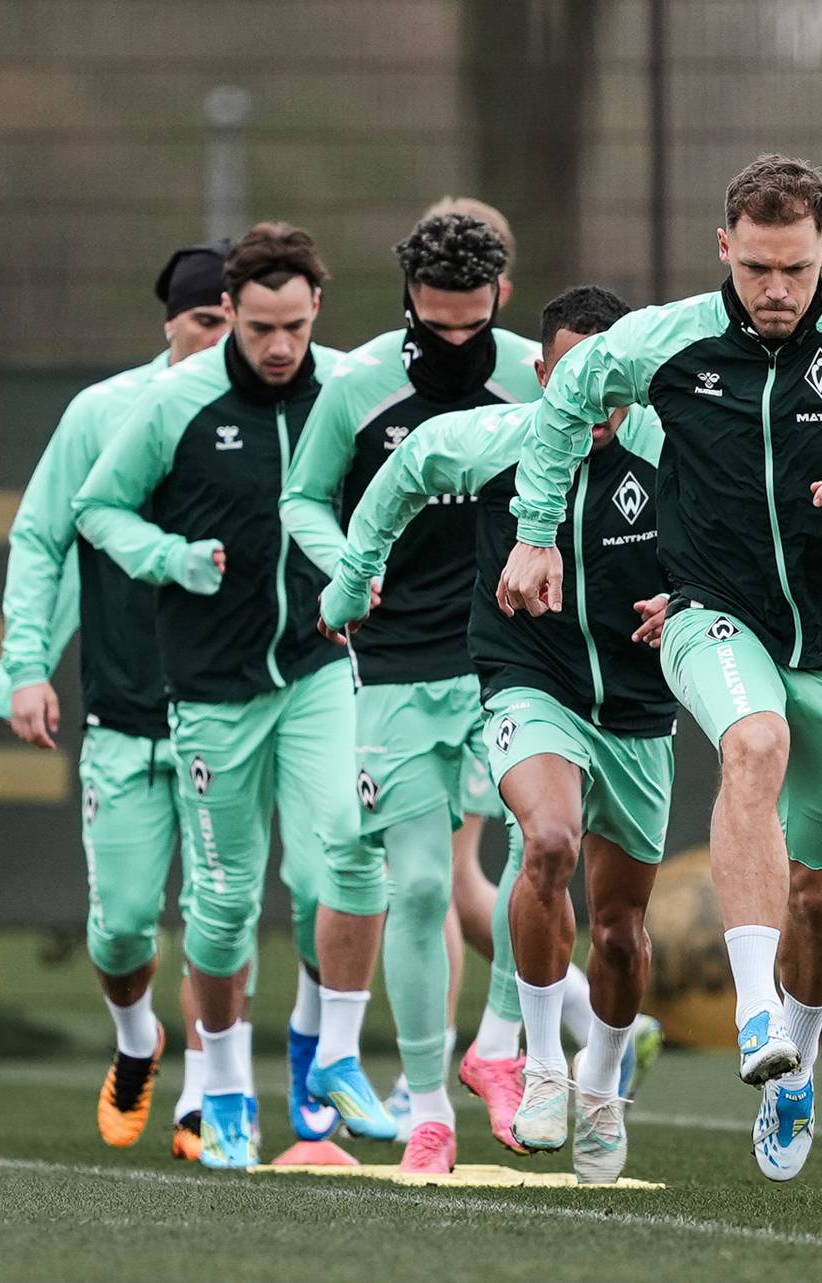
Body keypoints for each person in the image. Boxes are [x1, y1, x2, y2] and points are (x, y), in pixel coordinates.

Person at [499, 154, 822, 1181]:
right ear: (725, 248)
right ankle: (754, 1003)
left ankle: (795, 1058)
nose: (775, 290)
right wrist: (535, 530)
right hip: (711, 612)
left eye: (795, 270)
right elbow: (563, 400)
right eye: (758, 267)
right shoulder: (668, 339)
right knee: (750, 742)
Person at [323, 284, 676, 1183]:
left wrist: (690, 599)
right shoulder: (494, 442)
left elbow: (740, 540)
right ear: (542, 374)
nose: (593, 400)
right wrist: (353, 577)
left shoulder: (673, 451)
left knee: (624, 929)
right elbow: (400, 477)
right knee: (545, 842)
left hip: (635, 705)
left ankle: (599, 1077)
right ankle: (538, 1064)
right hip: (529, 682)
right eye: (572, 378)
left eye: (611, 380)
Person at [74, 222, 397, 1170]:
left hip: (316, 668)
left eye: (294, 325)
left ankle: (331, 1051)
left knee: (352, 846)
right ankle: (220, 1089)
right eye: (259, 326)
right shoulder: (177, 401)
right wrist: (170, 558)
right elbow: (98, 509)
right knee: (218, 904)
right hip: (212, 688)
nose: (278, 346)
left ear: (317, 312)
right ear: (235, 318)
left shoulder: (348, 384)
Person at [279, 211, 539, 1172]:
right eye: (436, 328)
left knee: (541, 851)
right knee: (422, 886)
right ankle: (427, 1102)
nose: (454, 346)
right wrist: (347, 559)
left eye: (471, 327)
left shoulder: (533, 372)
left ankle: (507, 1043)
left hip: (512, 654)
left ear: (499, 301)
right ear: (406, 307)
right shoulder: (355, 387)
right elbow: (301, 498)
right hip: (393, 661)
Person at [0, 242, 234, 1159]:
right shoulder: (104, 412)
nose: (217, 340)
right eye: (203, 321)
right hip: (124, 713)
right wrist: (23, 665)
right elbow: (43, 535)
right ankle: (138, 1042)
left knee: (220, 913)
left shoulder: (269, 414)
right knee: (124, 924)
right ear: (170, 321)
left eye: (230, 324)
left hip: (227, 714)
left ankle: (207, 1093)